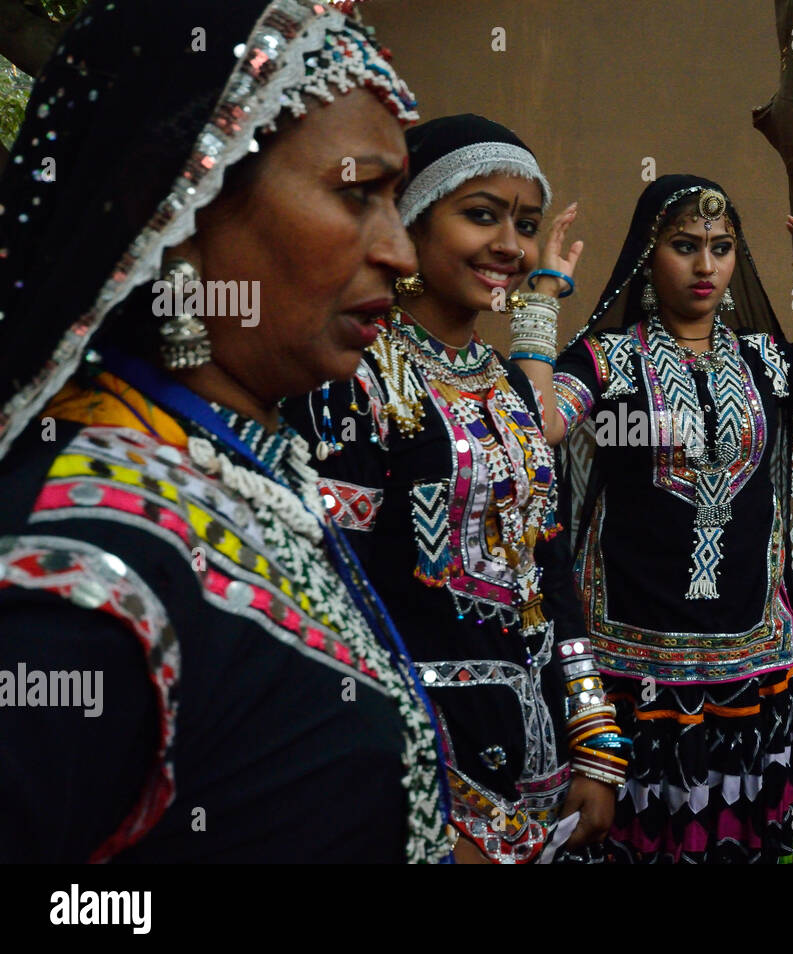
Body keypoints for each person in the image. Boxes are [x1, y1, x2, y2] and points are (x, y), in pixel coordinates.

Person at [0, 0, 453, 863]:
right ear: (184, 205)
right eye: (358, 194)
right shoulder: (78, 576)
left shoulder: (244, 468)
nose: (400, 254)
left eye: (397, 201)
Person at [531, 174, 793, 862]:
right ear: (650, 257)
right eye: (684, 246)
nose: (706, 266)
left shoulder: (767, 362)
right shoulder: (610, 362)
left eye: (721, 247)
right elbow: (535, 427)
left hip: (750, 664)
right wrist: (538, 302)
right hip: (630, 669)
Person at [284, 114, 618, 864]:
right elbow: (334, 604)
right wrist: (420, 797)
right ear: (410, 221)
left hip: (543, 758)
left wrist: (597, 743)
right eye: (481, 215)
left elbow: (550, 567)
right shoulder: (354, 382)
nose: (511, 245)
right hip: (419, 769)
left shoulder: (509, 386)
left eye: (526, 224)